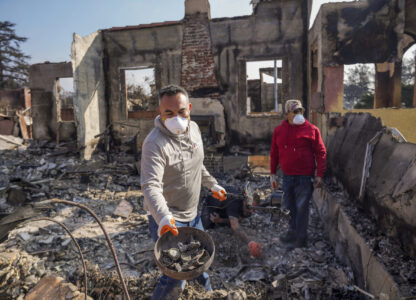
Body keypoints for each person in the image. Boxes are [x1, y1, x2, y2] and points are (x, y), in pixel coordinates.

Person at [140, 84, 227, 300]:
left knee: (199, 264)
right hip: (169, 220)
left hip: (193, 215)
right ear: (159, 112)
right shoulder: (154, 143)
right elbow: (151, 186)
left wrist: (212, 184)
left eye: (181, 112)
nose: (176, 118)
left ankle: (207, 296)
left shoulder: (194, 129)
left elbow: (197, 163)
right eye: (169, 113)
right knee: (176, 274)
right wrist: (163, 217)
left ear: (189, 108)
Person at [270, 99, 326, 250]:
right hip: (287, 176)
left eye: (300, 111)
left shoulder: (312, 130)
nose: (298, 114)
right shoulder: (279, 131)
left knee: (302, 207)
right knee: (289, 206)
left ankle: (301, 238)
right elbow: (274, 153)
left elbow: (321, 153)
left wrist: (319, 175)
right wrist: (272, 174)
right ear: (287, 114)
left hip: (304, 177)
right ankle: (292, 232)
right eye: (295, 111)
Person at [201, 186, 263, 258]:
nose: (252, 211)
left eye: (254, 209)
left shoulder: (247, 207)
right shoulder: (235, 204)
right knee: (207, 229)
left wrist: (221, 220)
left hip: (225, 205)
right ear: (244, 202)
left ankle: (221, 218)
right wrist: (250, 243)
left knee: (230, 224)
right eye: (249, 208)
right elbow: (235, 226)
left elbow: (238, 220)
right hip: (211, 203)